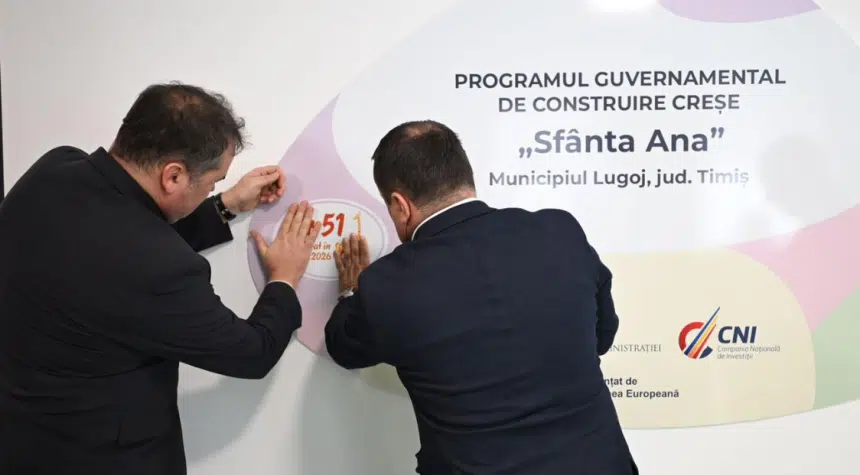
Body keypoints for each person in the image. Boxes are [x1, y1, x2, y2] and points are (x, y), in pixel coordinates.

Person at [0, 82, 320, 475]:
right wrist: (284, 278)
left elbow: (114, 249)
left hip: (21, 445)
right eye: (213, 181)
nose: (213, 187)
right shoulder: (160, 268)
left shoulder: (54, 170)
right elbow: (252, 353)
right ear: (173, 176)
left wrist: (224, 205)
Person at [324, 120, 638, 475]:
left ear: (400, 205)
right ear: (464, 176)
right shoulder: (559, 231)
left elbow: (343, 347)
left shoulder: (388, 284)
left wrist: (352, 290)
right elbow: (602, 336)